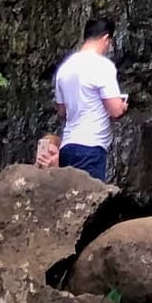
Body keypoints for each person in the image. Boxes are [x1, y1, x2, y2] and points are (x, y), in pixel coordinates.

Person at [52, 16, 128, 182]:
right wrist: (123, 106)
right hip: (90, 147)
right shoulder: (102, 66)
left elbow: (62, 112)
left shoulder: (65, 68)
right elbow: (115, 111)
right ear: (106, 38)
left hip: (68, 148)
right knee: (90, 204)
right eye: (110, 42)